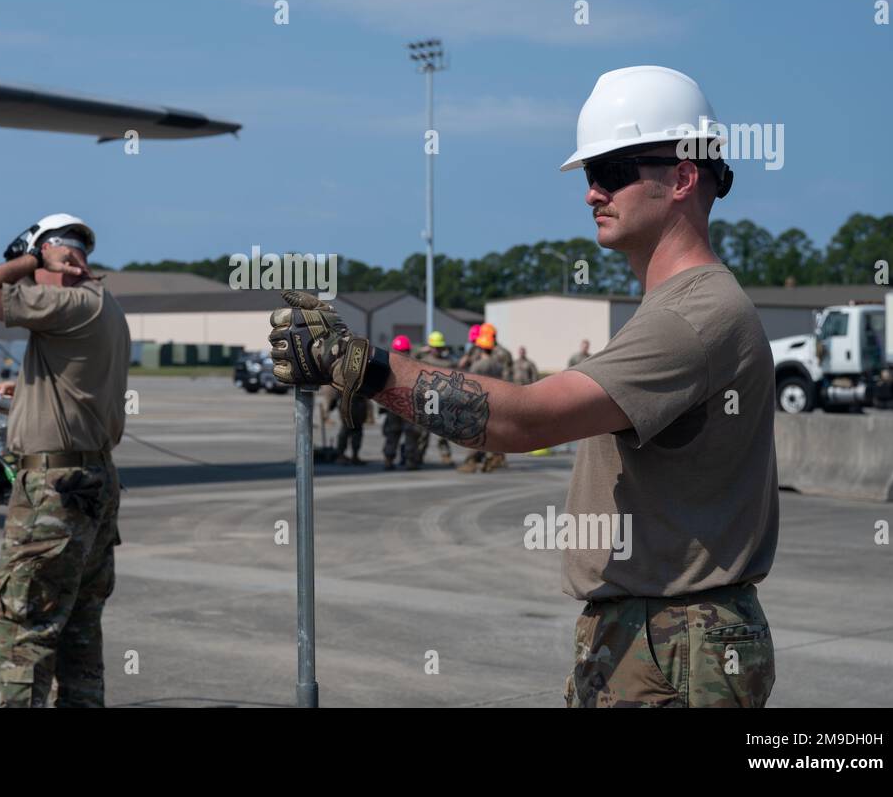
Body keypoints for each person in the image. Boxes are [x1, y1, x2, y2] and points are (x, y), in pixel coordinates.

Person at [266, 66, 778, 708]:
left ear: (681, 176)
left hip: (675, 639)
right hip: (656, 632)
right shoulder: (673, 308)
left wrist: (363, 368)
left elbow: (527, 421)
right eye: (590, 175)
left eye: (613, 171)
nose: (592, 193)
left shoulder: (693, 316)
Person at [0, 212, 130, 708]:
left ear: (60, 257)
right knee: (77, 626)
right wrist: (26, 389)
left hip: (54, 491)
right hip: (91, 481)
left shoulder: (72, 300)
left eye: (35, 269)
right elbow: (82, 388)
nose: (30, 279)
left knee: (22, 628)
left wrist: (33, 258)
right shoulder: (103, 307)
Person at [456, 328, 508, 473]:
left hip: (478, 401)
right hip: (494, 400)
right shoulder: (498, 364)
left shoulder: (478, 365)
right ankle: (494, 456)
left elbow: (469, 382)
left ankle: (471, 462)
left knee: (474, 432)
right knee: (491, 430)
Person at [380, 336, 423, 470]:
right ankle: (410, 461)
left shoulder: (388, 365)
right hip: (409, 405)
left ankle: (388, 459)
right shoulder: (414, 365)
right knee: (410, 434)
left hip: (393, 404)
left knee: (392, 433)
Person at [413, 331, 455, 466]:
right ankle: (418, 455)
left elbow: (411, 357)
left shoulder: (444, 362)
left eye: (439, 347)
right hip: (428, 400)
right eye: (435, 347)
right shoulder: (429, 361)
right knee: (423, 433)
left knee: (442, 433)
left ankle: (445, 456)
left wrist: (421, 350)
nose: (437, 349)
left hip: (440, 401)